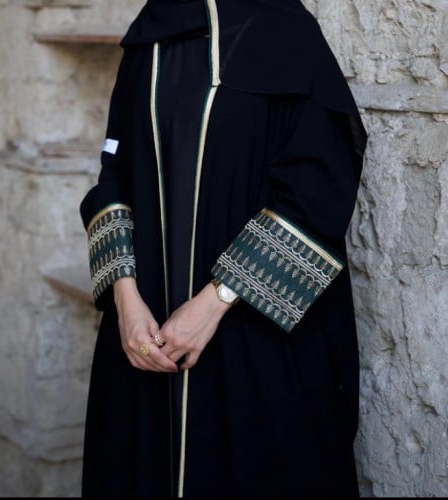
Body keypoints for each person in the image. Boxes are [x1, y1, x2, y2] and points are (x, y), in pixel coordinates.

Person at [79, 0, 368, 497]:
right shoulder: (148, 40)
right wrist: (125, 301)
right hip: (144, 333)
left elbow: (318, 189)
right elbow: (115, 176)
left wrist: (215, 302)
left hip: (252, 332)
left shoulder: (286, 33)